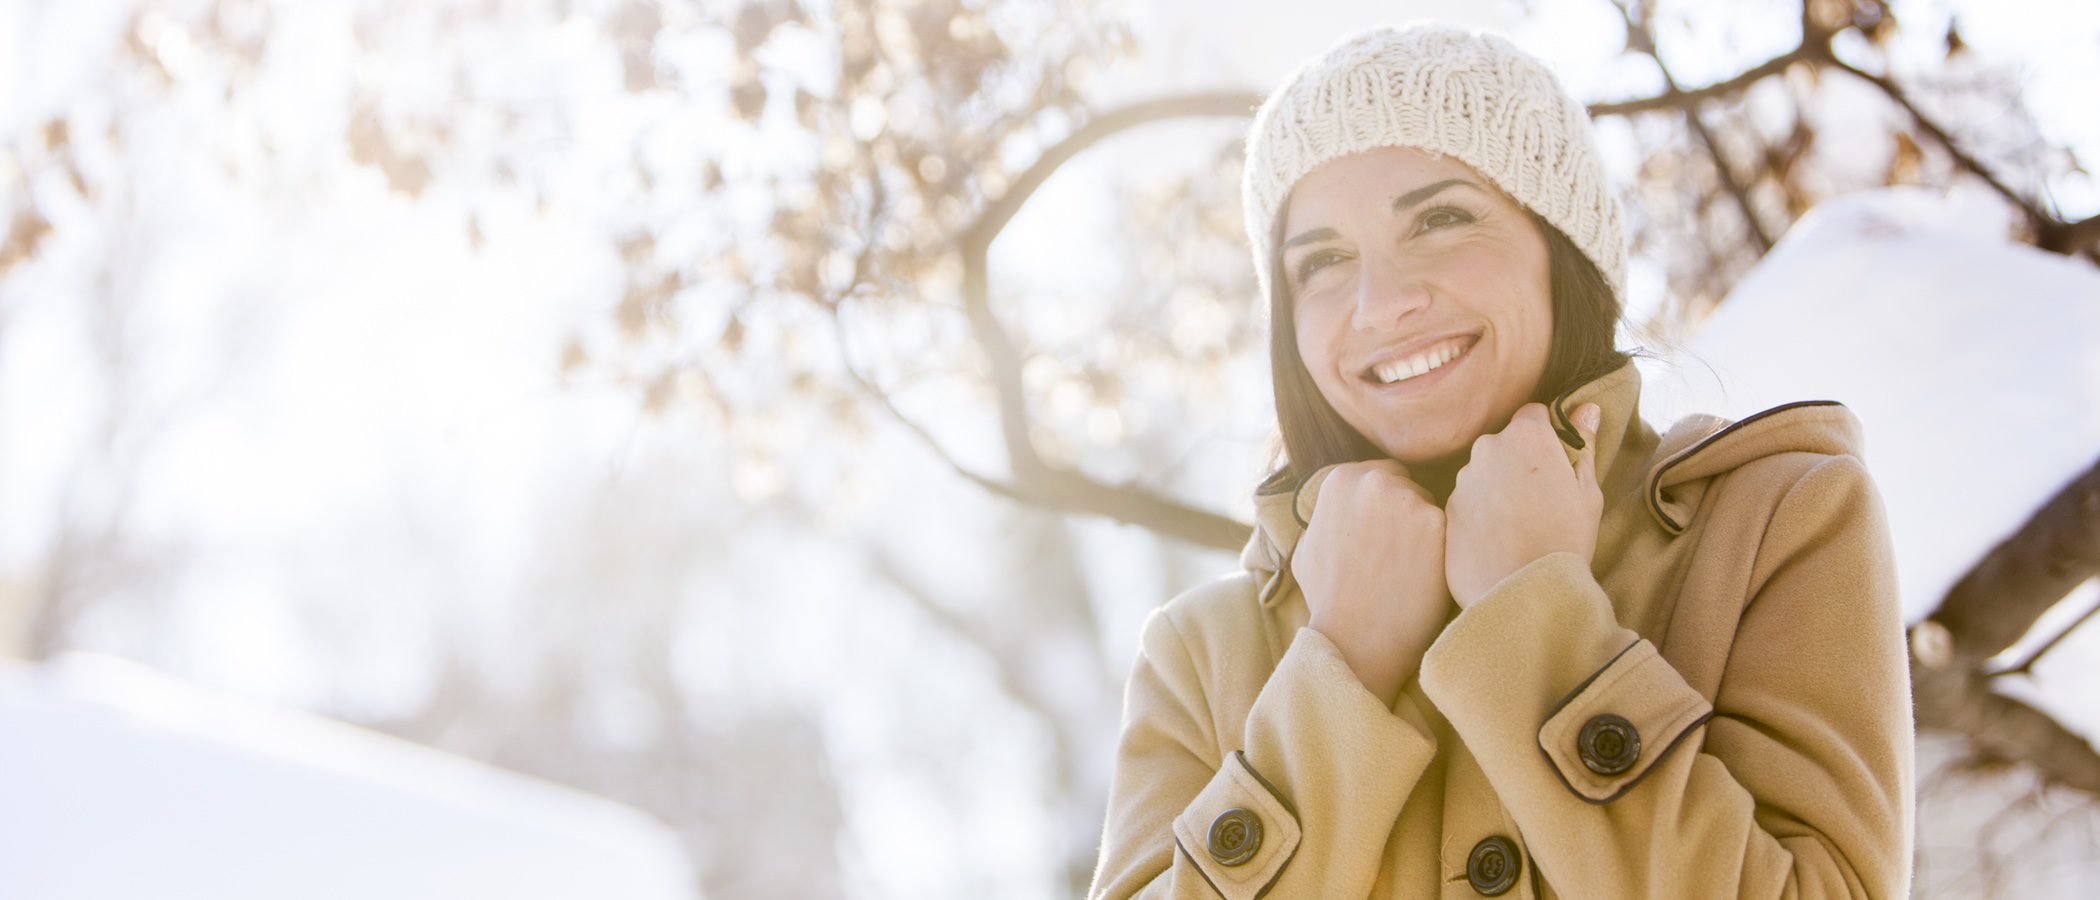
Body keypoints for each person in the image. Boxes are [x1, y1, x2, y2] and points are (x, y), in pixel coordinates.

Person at [1086, 22, 1915, 899]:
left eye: (1441, 219)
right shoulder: (1201, 655)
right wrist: (1342, 666)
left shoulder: (1776, 523)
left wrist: (1536, 615)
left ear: (1566, 252)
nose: (1380, 304)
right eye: (1322, 261)